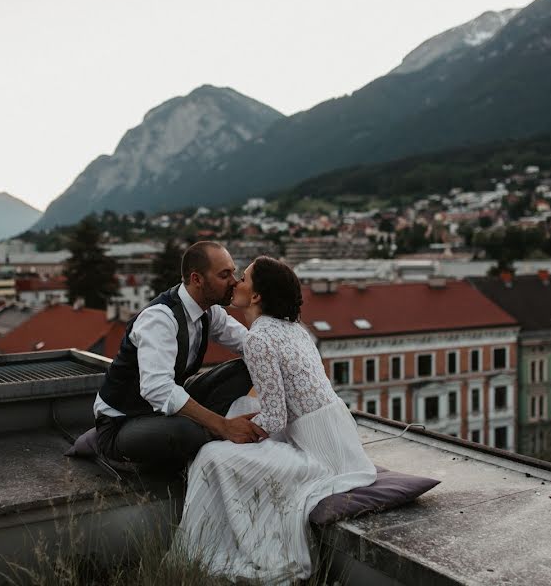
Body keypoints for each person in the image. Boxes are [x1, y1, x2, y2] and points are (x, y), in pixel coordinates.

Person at [174, 256, 377, 583]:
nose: (236, 282)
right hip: (341, 441)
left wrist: (229, 433)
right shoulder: (296, 330)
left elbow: (276, 417)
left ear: (255, 297)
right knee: (238, 411)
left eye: (244, 278)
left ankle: (200, 554)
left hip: (316, 454)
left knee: (212, 457)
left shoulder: (258, 338)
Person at [92, 241, 267, 471]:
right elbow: (158, 389)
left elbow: (250, 345)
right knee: (187, 433)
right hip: (122, 422)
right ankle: (213, 433)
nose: (234, 281)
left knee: (245, 366)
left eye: (233, 272)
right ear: (197, 279)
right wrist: (223, 426)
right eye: (225, 275)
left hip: (159, 409)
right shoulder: (160, 319)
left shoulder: (209, 310)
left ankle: (210, 432)